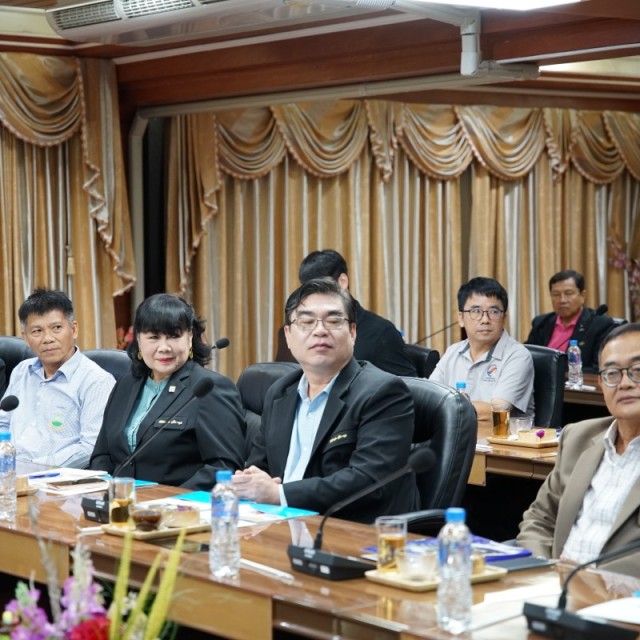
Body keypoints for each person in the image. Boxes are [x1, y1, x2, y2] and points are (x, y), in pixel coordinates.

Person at [233, 277, 419, 522]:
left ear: (353, 332)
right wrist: (248, 483)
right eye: (306, 322)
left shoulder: (383, 392)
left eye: (333, 321)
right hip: (279, 523)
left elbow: (370, 481)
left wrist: (280, 495)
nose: (320, 330)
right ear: (288, 336)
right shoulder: (280, 392)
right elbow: (260, 467)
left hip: (347, 529)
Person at [518, 323, 640, 576]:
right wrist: (544, 571)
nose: (625, 383)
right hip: (552, 585)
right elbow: (539, 519)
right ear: (601, 383)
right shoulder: (578, 438)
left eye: (637, 371)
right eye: (612, 373)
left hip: (621, 595)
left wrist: (592, 580)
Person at [89, 293, 246, 489]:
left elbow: (224, 467)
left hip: (179, 504)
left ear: (190, 338)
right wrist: (105, 491)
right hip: (120, 500)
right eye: (153, 337)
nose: (164, 347)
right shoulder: (125, 384)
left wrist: (169, 498)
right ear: (139, 340)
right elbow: (102, 454)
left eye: (173, 336)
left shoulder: (210, 388)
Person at [0, 288, 115, 468]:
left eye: (56, 328)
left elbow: (90, 447)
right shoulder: (22, 371)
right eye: (37, 331)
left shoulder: (96, 381)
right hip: (10, 473)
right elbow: (3, 424)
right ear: (26, 338)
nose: (48, 339)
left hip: (56, 478)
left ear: (74, 329)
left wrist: (33, 468)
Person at [275, 249, 416, 377]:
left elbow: (410, 388)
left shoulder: (381, 333)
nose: (314, 295)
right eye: (308, 289)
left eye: (322, 286)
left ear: (342, 282)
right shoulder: (296, 331)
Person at [429, 276, 534, 427]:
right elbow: (430, 396)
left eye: (494, 311)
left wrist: (447, 404)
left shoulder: (518, 356)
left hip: (500, 440)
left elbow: (497, 411)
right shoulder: (453, 351)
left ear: (504, 318)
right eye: (476, 311)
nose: (485, 319)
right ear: (461, 318)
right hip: (457, 434)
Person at [526, 269, 617, 372]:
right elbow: (527, 357)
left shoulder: (600, 324)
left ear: (582, 296)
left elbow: (599, 368)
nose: (562, 300)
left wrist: (560, 373)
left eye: (568, 293)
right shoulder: (541, 323)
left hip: (577, 381)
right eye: (556, 294)